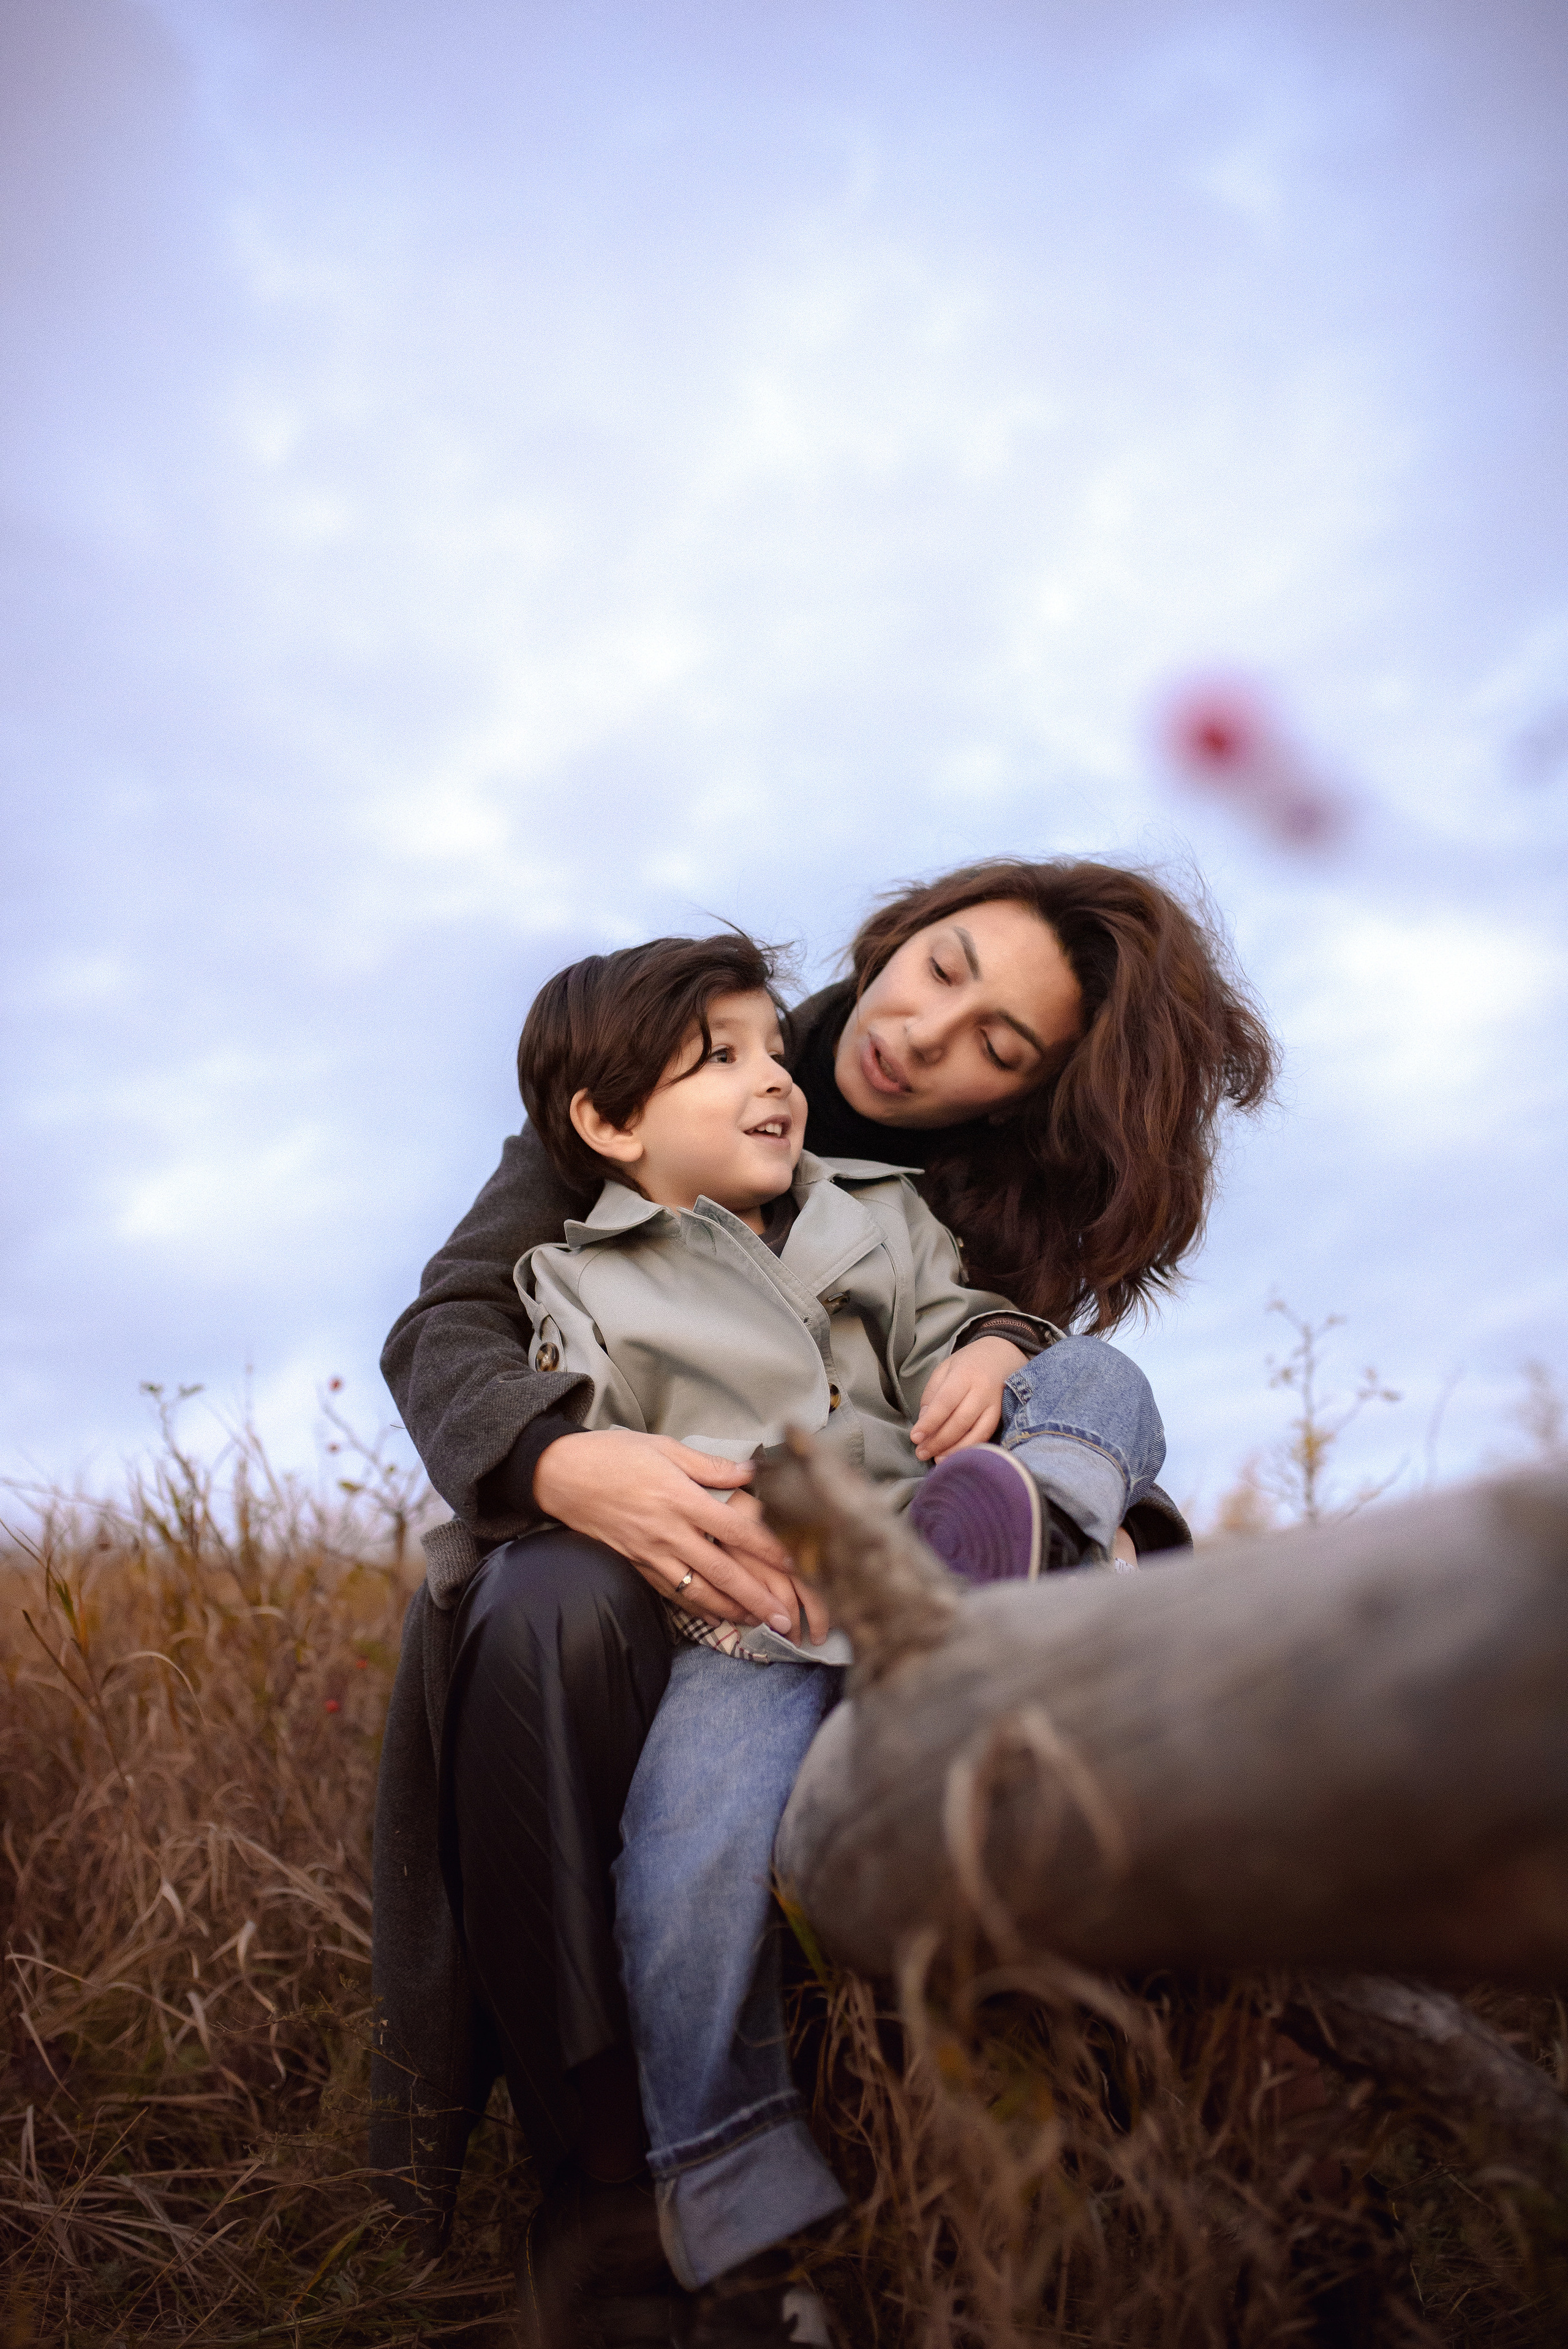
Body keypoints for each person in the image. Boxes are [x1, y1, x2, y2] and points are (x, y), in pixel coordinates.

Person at [368, 858, 1276, 2337]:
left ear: (1027, 1100)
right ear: (901, 931)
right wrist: (561, 1458)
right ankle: (625, 2189)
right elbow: (454, 1323)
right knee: (598, 1694)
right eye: (941, 966)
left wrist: (1006, 1355)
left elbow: (994, 1357)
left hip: (912, 1521)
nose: (923, 1033)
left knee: (1087, 1398)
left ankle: (1019, 1559)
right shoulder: (642, 1089)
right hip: (727, 1588)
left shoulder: (905, 1210)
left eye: (995, 1044)